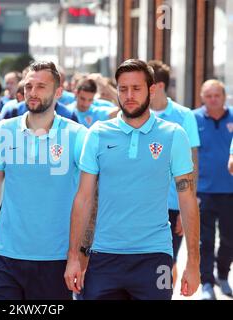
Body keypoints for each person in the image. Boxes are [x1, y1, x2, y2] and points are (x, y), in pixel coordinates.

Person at [65, 59, 200, 300]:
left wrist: (193, 263)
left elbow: (187, 198)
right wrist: (74, 257)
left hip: (154, 256)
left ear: (152, 90)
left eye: (136, 88)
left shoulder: (173, 135)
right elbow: (83, 198)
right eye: (123, 88)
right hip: (105, 255)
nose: (129, 95)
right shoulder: (97, 133)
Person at [0, 61, 88, 300]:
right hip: (5, 256)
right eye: (28, 86)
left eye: (41, 87)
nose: (32, 93)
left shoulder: (77, 135)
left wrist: (78, 254)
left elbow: (89, 197)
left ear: (58, 92)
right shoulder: (4, 130)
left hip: (55, 259)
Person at [148, 60, 200, 287]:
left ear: (158, 86)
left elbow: (192, 163)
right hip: (143, 204)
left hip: (172, 203)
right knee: (146, 264)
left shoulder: (184, 116)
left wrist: (184, 208)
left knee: (165, 264)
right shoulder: (135, 114)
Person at [194, 79, 233, 299]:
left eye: (216, 95)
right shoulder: (194, 118)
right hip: (203, 191)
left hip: (230, 190)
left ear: (224, 96)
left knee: (229, 238)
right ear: (202, 97)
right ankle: (206, 282)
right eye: (208, 96)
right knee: (205, 240)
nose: (212, 100)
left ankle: (223, 275)